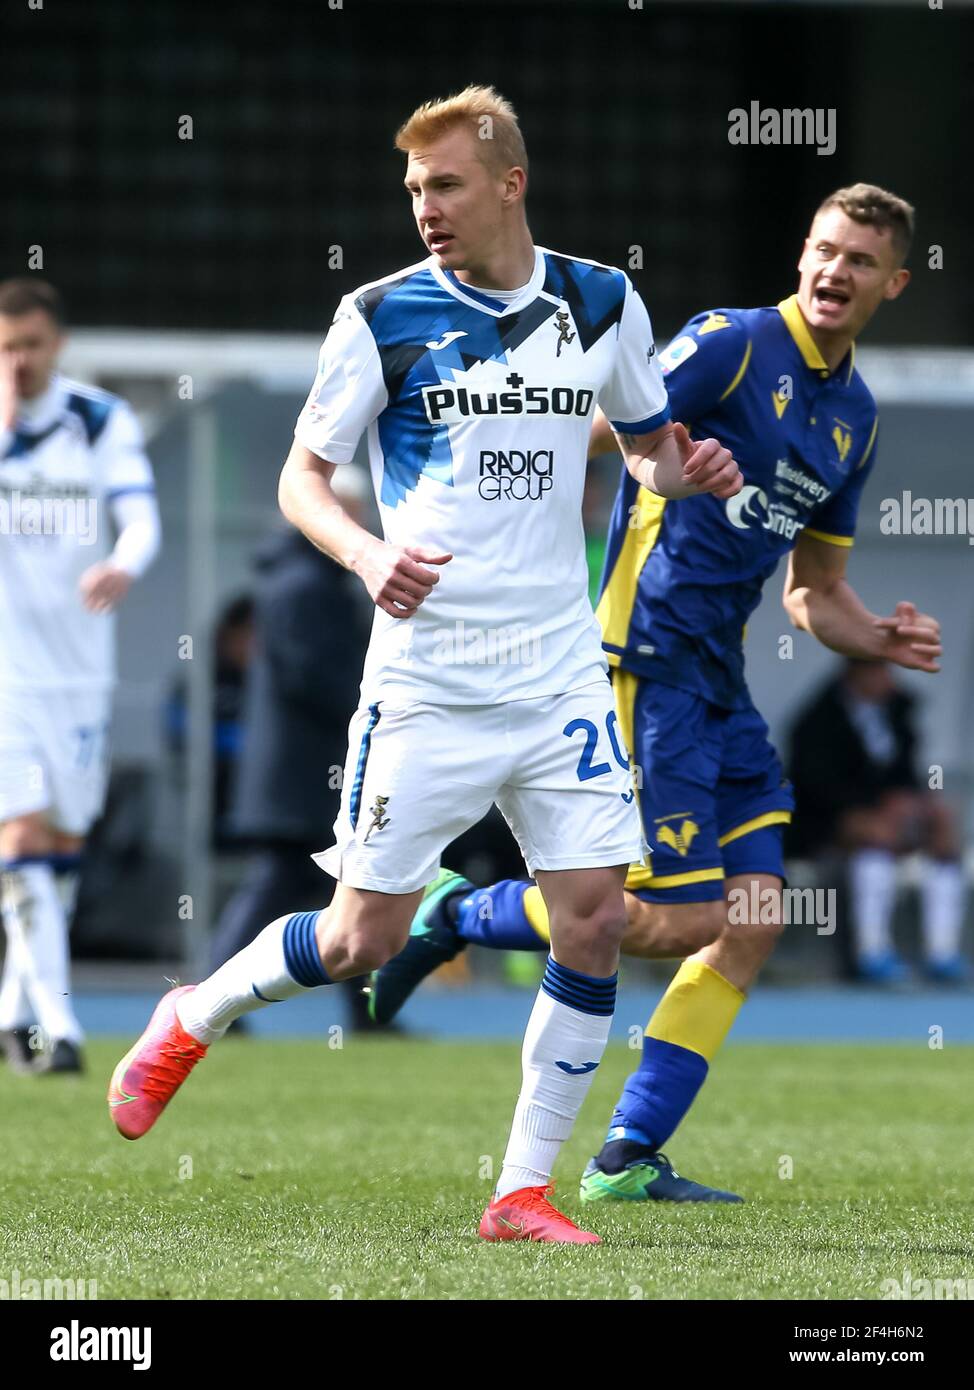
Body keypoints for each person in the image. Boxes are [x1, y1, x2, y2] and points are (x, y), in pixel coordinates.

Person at [107, 85, 740, 1245]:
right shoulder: (378, 314)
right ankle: (193, 1011)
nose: (425, 209)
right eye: (412, 190)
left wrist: (682, 471)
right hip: (429, 678)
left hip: (555, 674)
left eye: (445, 185)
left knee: (592, 917)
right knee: (362, 941)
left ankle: (519, 1193)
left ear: (509, 182)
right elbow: (304, 477)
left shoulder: (604, 300)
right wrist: (363, 551)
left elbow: (647, 449)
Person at [370, 183, 943, 1205]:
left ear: (890, 283)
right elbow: (603, 419)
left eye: (857, 260)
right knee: (671, 922)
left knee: (754, 915)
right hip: (639, 657)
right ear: (801, 253)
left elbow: (813, 598)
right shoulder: (729, 343)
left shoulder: (851, 418)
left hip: (717, 679)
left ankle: (626, 1153)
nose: (831, 271)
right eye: (821, 248)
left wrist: (881, 637)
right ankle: (459, 911)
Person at [0, 277, 161, 1074]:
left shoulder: (99, 420)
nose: (17, 362)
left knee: (60, 845)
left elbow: (142, 522)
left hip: (79, 675)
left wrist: (122, 567)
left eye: (28, 345)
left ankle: (8, 1014)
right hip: (7, 675)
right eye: (4, 349)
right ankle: (58, 1032)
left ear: (55, 345)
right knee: (23, 837)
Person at [208, 469, 381, 1032]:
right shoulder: (303, 586)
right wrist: (372, 705)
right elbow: (311, 675)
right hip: (300, 773)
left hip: (298, 771)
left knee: (341, 886)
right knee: (302, 883)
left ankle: (367, 1011)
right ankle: (213, 994)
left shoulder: (297, 580)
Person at [786, 658, 967, 983]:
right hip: (830, 828)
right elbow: (814, 787)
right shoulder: (816, 720)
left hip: (896, 819)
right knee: (874, 846)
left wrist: (915, 803)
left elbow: (908, 773)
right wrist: (866, 813)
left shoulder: (899, 711)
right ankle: (873, 954)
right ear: (855, 674)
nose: (888, 679)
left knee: (943, 831)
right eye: (879, 671)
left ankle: (943, 954)